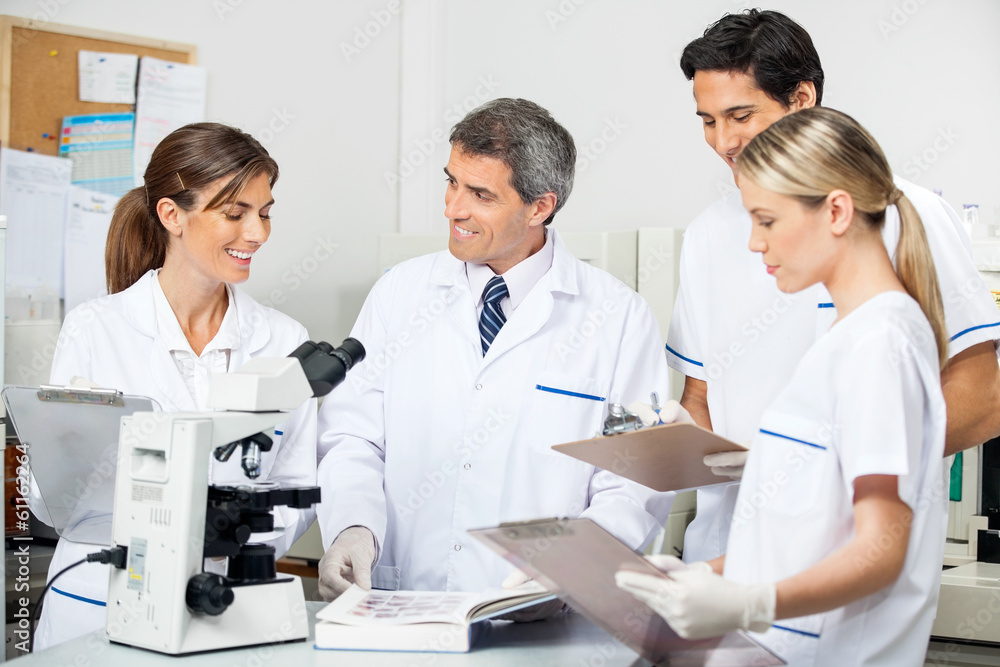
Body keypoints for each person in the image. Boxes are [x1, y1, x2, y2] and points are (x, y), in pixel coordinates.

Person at [665, 9, 1000, 563]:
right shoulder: (708, 235)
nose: (723, 141)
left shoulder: (905, 213)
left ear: (801, 98)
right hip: (729, 549)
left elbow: (983, 399)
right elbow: (703, 398)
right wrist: (671, 445)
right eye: (707, 120)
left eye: (740, 115)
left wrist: (825, 468)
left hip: (856, 550)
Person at [619, 107, 949, 666]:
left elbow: (882, 546)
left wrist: (749, 604)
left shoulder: (881, 344)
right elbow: (804, 536)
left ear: (837, 211)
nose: (754, 243)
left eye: (766, 221)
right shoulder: (845, 341)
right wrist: (695, 579)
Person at [315, 98, 673, 600]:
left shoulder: (617, 317)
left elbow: (634, 478)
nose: (452, 208)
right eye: (451, 181)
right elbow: (353, 437)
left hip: (547, 611)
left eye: (480, 194)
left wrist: (568, 571)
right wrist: (354, 527)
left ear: (540, 207)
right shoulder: (400, 293)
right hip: (405, 601)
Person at [32, 123, 318, 649]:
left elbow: (297, 485)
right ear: (172, 215)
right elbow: (54, 499)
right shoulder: (96, 329)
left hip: (225, 601)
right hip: (101, 605)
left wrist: (224, 543)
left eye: (265, 211)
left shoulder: (283, 340)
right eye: (235, 214)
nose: (256, 233)